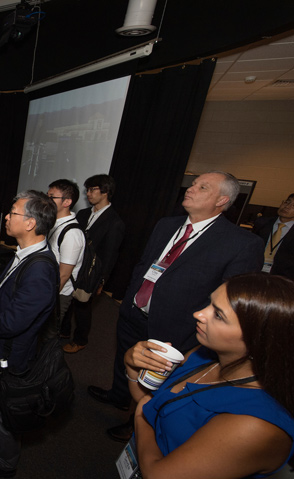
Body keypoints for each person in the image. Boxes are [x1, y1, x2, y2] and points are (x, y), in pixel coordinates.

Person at [88, 171, 264, 441]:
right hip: (134, 313)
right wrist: (129, 301)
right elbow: (144, 264)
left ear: (222, 200)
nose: (190, 189)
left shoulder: (242, 244)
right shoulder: (166, 224)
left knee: (159, 381)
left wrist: (198, 338)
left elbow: (231, 301)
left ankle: (140, 422)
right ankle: (119, 395)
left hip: (177, 330)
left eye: (202, 187)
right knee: (125, 359)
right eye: (192, 184)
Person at [123, 272, 294, 478]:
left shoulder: (256, 426)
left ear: (258, 340)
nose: (199, 314)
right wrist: (132, 365)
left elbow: (158, 474)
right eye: (210, 304)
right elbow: (151, 400)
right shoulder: (203, 354)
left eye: (218, 315)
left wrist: (141, 418)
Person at [0, 190, 59, 478]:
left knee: (4, 414)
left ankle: (5, 464)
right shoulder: (27, 255)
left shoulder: (39, 269)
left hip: (10, 356)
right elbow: (10, 296)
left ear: (30, 223)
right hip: (4, 348)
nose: (7, 217)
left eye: (13, 212)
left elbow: (11, 324)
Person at [60, 174, 125, 353]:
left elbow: (110, 255)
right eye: (87, 190)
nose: (88, 194)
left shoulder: (115, 222)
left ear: (106, 192)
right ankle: (64, 331)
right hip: (73, 266)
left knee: (82, 306)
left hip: (91, 273)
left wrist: (101, 281)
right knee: (66, 299)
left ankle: (80, 340)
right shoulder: (83, 213)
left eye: (92, 189)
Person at [42, 179, 85, 342]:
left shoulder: (72, 233)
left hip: (58, 293)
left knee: (48, 336)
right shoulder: (54, 223)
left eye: (52, 197)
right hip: (47, 286)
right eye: (47, 195)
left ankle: (47, 366)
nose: (46, 200)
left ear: (67, 202)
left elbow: (64, 274)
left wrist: (46, 298)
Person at [252, 193, 294, 280]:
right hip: (253, 272)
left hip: (281, 279)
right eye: (287, 202)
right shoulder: (262, 223)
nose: (287, 207)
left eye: (293, 206)